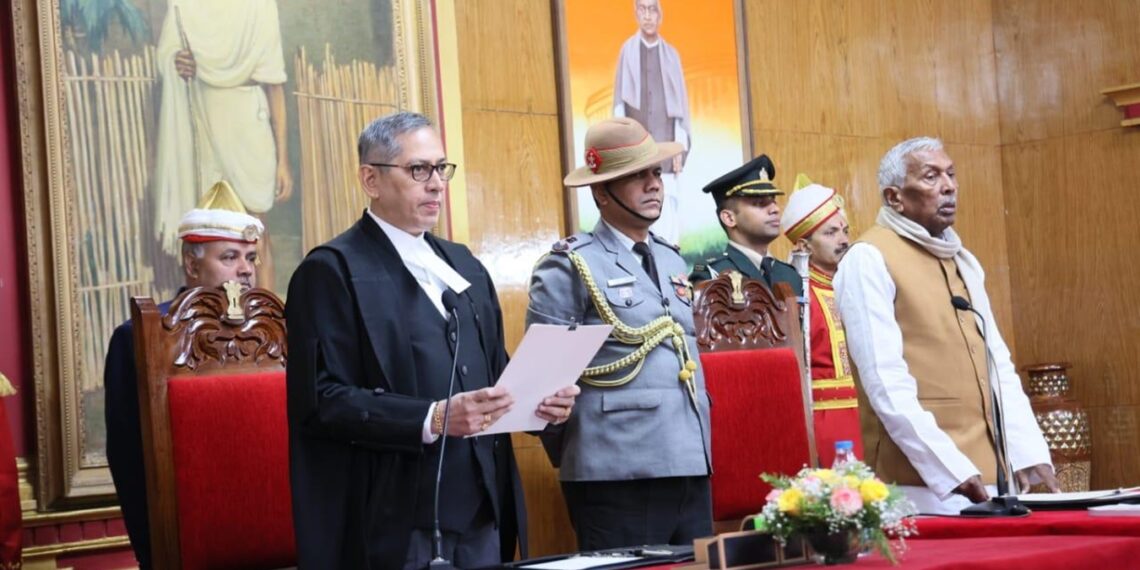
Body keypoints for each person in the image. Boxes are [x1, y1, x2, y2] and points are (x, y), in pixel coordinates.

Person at [285, 112, 578, 569]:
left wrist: (539, 403)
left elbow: (494, 374)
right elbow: (321, 401)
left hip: (482, 508)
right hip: (394, 517)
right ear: (371, 179)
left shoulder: (463, 264)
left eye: (441, 168)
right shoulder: (331, 270)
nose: (437, 184)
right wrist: (434, 417)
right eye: (419, 169)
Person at [834, 137, 1059, 514]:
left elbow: (997, 364)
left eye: (951, 174)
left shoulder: (962, 260)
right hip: (922, 487)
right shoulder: (868, 259)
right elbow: (884, 381)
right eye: (931, 176)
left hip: (994, 476)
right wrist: (948, 468)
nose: (949, 186)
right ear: (894, 197)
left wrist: (1028, 452)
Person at [527, 117, 712, 550]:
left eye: (655, 173)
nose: (653, 185)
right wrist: (581, 452)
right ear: (601, 192)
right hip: (616, 470)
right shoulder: (570, 264)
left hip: (689, 459)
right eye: (635, 176)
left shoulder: (671, 259)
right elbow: (541, 388)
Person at [105, 181, 263, 568]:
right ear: (192, 265)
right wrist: (155, 554)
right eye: (230, 257)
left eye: (251, 257)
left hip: (264, 525)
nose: (245, 269)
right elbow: (129, 462)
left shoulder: (272, 333)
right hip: (184, 538)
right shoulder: (142, 337)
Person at [152, 0, 292, 288]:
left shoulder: (259, 6)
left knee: (256, 231)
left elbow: (274, 84)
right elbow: (169, 54)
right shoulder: (186, 5)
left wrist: (283, 161)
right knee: (208, 233)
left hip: (249, 124)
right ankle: (212, 315)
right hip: (202, 121)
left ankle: (266, 314)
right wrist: (177, 60)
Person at [779, 174, 861, 466]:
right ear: (804, 246)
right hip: (821, 421)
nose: (844, 240)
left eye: (845, 230)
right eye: (831, 233)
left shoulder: (858, 284)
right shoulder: (794, 294)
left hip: (867, 417)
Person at [612, 0, 691, 245]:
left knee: (667, 211)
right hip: (635, 152)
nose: (647, 16)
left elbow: (680, 109)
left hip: (665, 148)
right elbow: (619, 104)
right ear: (636, 14)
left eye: (652, 9)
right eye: (642, 10)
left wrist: (679, 147)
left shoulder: (671, 55)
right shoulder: (627, 50)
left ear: (660, 14)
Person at [689, 155, 803, 297]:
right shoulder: (714, 275)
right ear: (729, 218)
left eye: (773, 201)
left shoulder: (790, 275)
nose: (775, 209)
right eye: (760, 203)